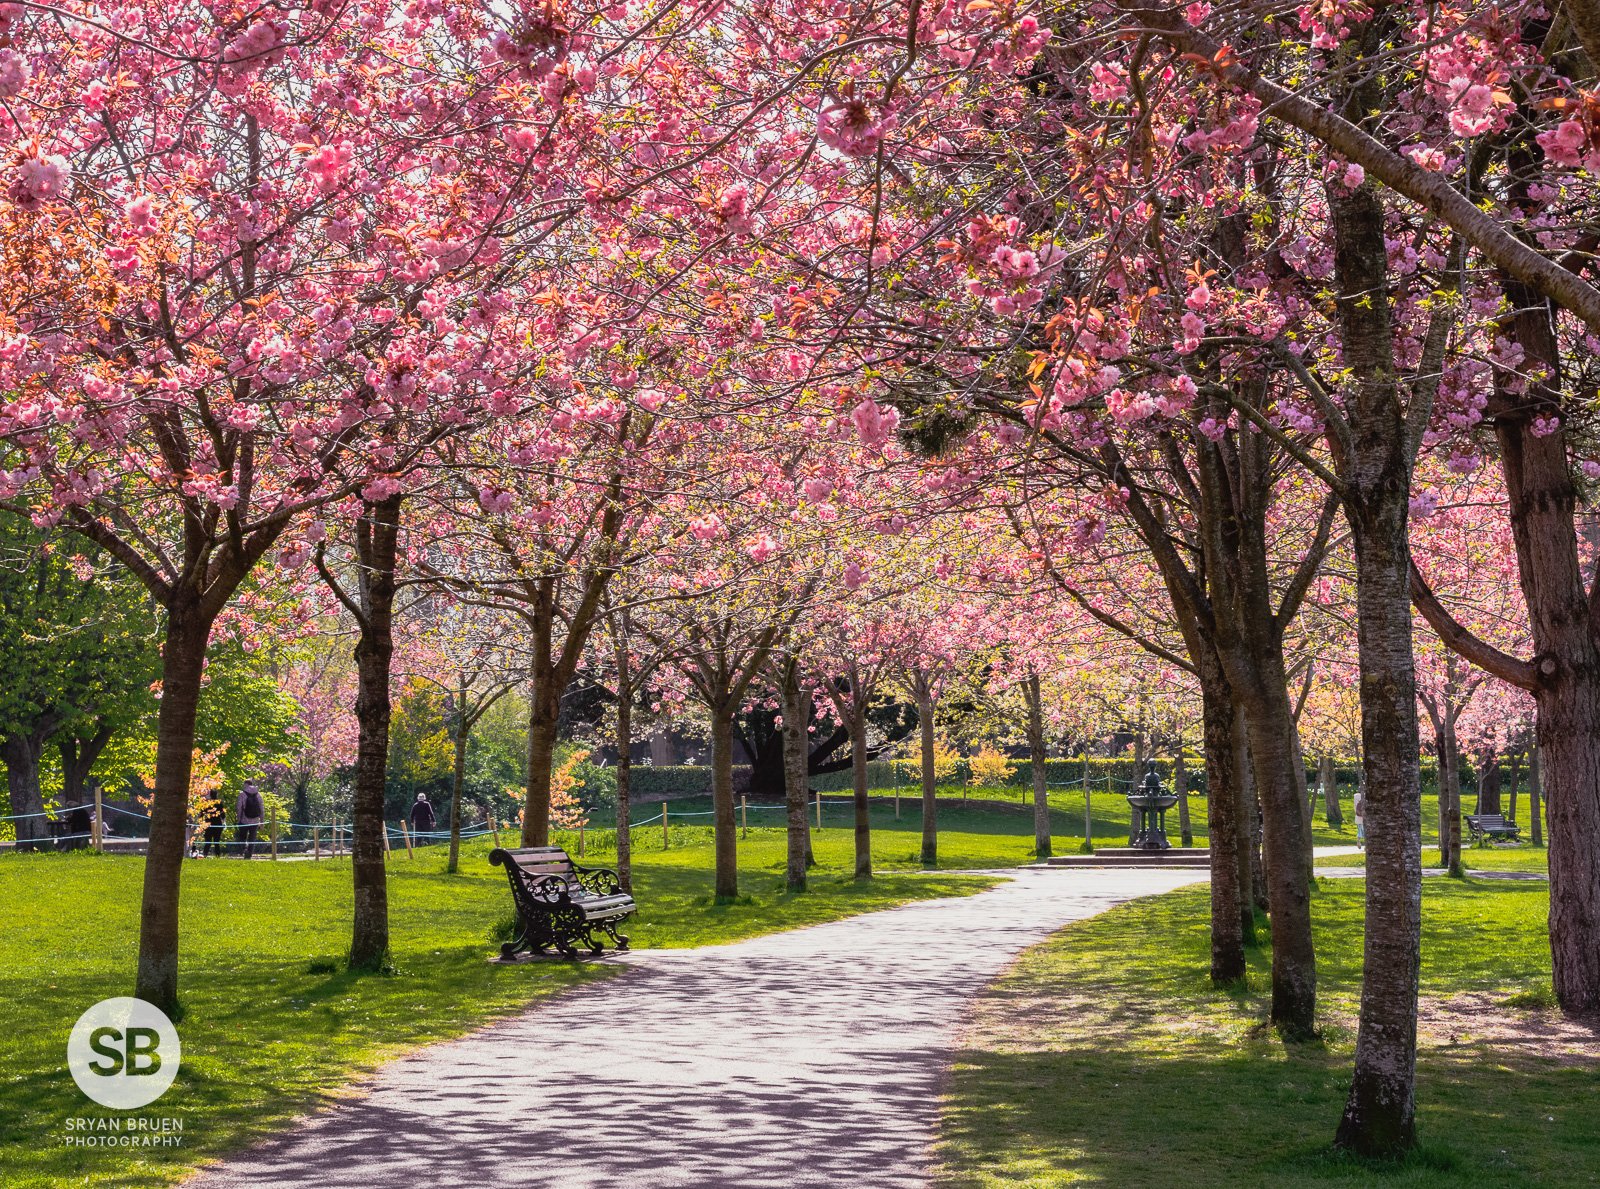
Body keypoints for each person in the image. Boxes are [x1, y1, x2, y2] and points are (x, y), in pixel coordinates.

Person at [236, 780, 266, 859]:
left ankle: (244, 850)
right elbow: (262, 809)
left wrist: (238, 819)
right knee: (252, 838)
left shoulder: (242, 794)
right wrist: (262, 822)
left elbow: (239, 808)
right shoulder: (258, 795)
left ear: (246, 784)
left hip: (244, 820)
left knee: (242, 837)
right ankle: (249, 855)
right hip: (255, 821)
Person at [197, 793, 226, 858]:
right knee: (216, 842)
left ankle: (205, 855)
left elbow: (201, 815)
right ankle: (217, 856)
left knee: (208, 841)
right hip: (218, 824)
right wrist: (224, 823)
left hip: (208, 824)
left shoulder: (206, 804)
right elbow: (223, 815)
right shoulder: (219, 803)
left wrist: (200, 823)